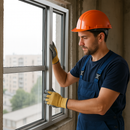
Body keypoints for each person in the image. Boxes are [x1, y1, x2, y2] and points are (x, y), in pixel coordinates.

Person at [45, 10, 129, 130]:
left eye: (84, 37)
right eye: (80, 38)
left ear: (100, 37)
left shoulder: (117, 65)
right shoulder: (84, 61)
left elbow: (101, 106)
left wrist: (62, 102)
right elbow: (64, 81)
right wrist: (55, 61)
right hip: (83, 125)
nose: (80, 43)